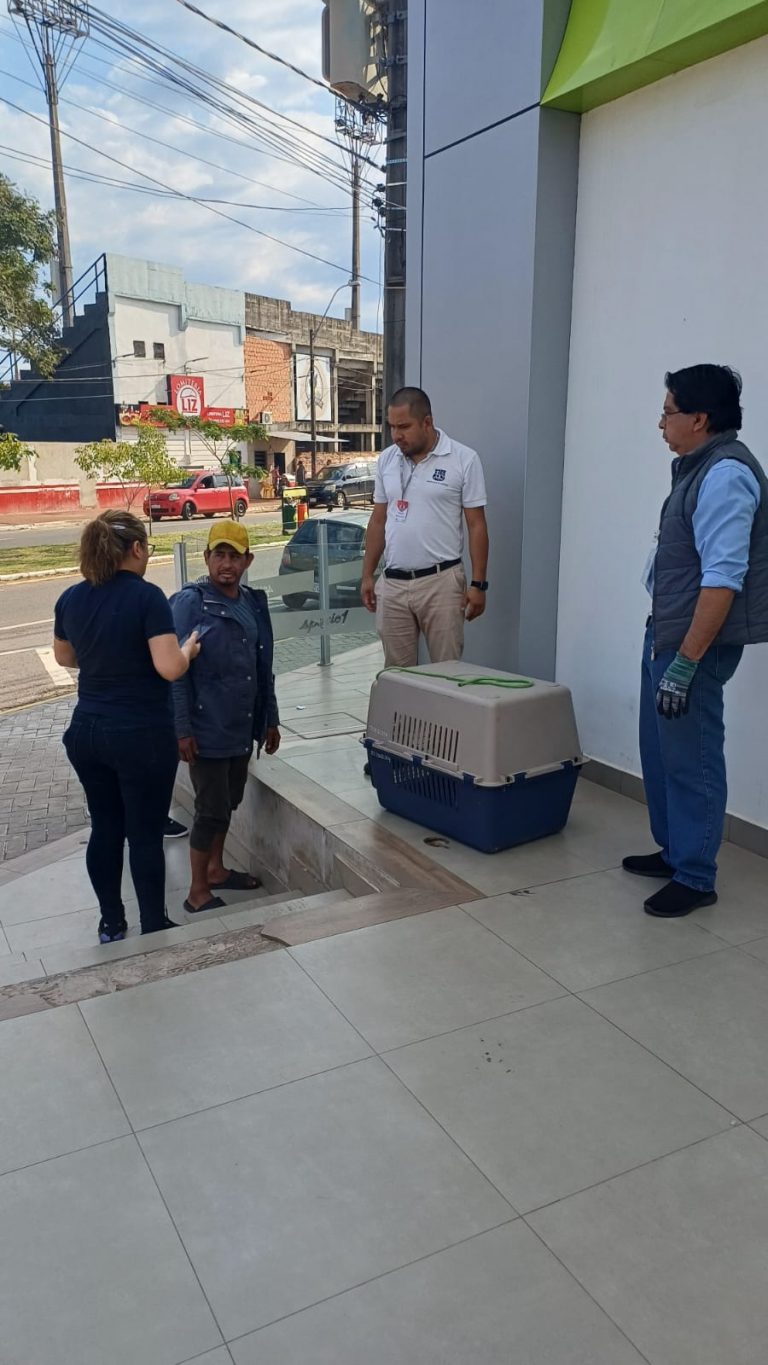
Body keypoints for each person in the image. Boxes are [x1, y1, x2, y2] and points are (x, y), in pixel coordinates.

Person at [623, 365, 768, 917]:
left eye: (668, 413)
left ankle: (695, 874)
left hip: (693, 647)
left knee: (693, 758)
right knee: (661, 751)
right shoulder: (697, 468)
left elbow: (723, 578)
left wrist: (685, 663)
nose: (661, 423)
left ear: (700, 418)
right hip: (667, 632)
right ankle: (674, 851)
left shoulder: (726, 475)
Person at [53, 510, 200, 944]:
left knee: (105, 828)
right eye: (146, 548)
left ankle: (111, 923)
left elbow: (65, 657)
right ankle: (153, 923)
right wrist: (189, 650)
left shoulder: (71, 597)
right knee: (145, 833)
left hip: (86, 732)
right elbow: (169, 667)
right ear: (136, 548)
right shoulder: (147, 597)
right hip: (140, 734)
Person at [170, 520, 281, 913]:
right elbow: (175, 671)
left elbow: (263, 667)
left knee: (229, 801)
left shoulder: (252, 603)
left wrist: (270, 718)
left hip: (240, 725)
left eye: (235, 556)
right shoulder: (190, 603)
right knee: (210, 809)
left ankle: (216, 870)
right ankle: (197, 891)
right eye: (219, 555)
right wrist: (181, 728)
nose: (227, 564)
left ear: (248, 560)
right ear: (206, 558)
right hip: (206, 728)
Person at [360, 386, 489, 668]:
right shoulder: (387, 459)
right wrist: (367, 574)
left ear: (427, 422)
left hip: (441, 582)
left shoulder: (463, 459)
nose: (396, 435)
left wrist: (479, 584)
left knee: (446, 672)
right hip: (393, 583)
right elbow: (378, 520)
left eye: (404, 427)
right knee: (397, 675)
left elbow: (476, 525)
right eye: (392, 427)